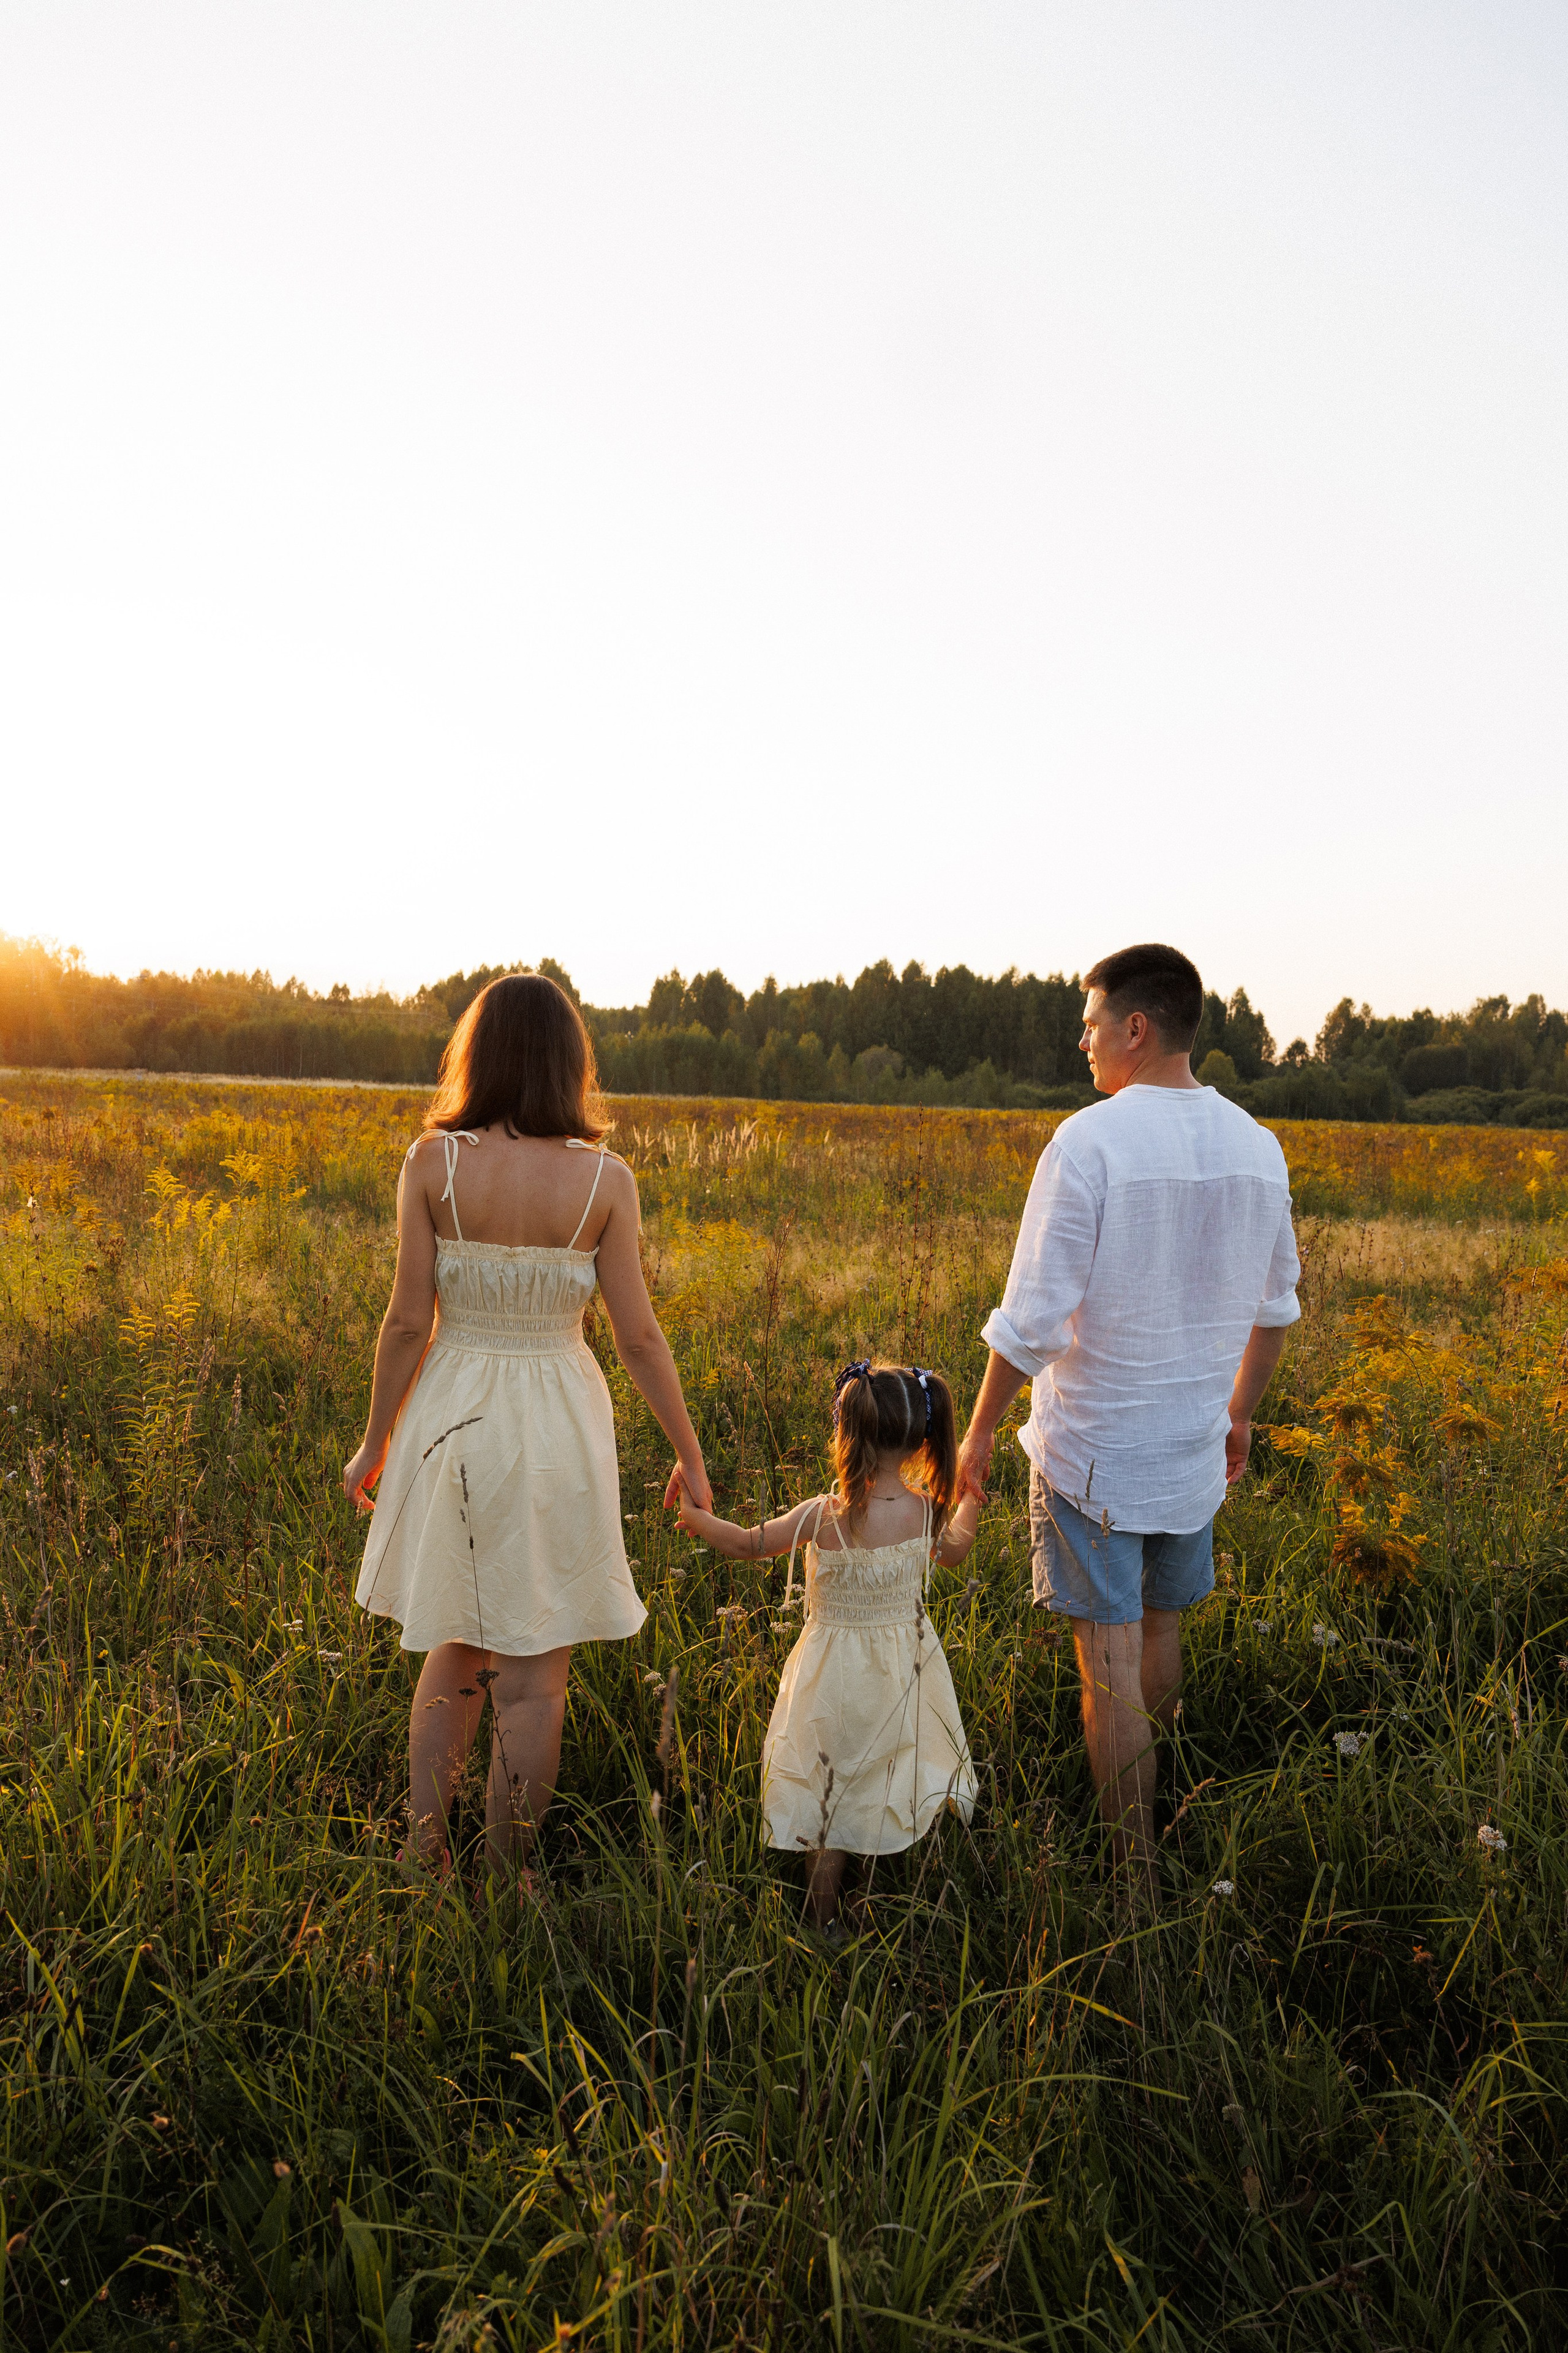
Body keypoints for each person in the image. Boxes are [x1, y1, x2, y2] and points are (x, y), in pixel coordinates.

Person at [344, 971, 712, 1882]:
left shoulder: (434, 1163)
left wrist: (375, 1438)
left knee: (455, 1642)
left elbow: (403, 1322)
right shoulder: (605, 1180)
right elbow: (637, 1336)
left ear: (479, 1054)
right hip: (557, 1420)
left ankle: (421, 1852)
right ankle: (508, 1878)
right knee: (536, 1670)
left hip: (453, 1412)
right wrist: (689, 1454)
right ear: (567, 1063)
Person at [956, 943, 1300, 1895]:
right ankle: (1169, 1826)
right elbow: (1275, 1314)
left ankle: (1135, 1873)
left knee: (1107, 1664)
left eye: (1093, 1021)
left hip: (1093, 1457)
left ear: (1137, 1030)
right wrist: (1237, 1417)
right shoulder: (1259, 1148)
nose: (1083, 1038)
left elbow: (1029, 1322)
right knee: (1159, 1638)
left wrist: (979, 1430)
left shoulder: (1089, 1143)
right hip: (1190, 1452)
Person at [678, 1360, 979, 1935]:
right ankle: (869, 1907)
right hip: (903, 1680)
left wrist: (697, 1518)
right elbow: (958, 1548)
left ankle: (821, 1923)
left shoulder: (824, 1515)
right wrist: (968, 1498)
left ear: (850, 1432)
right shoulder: (924, 1511)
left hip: (832, 1684)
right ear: (919, 1440)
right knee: (882, 1785)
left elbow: (748, 1545)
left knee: (828, 1798)